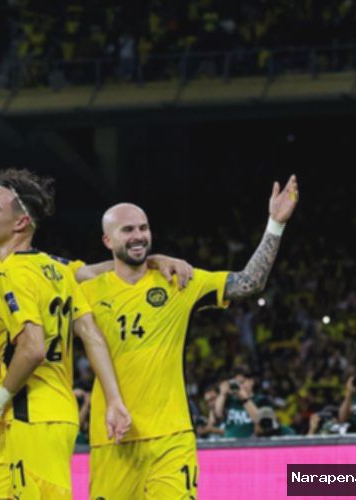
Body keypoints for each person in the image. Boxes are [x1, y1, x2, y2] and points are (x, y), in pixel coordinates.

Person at [83, 174, 299, 499]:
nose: (138, 236)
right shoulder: (87, 291)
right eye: (127, 230)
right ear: (107, 241)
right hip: (112, 435)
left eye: (143, 228)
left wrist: (275, 224)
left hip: (172, 435)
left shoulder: (178, 281)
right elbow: (49, 271)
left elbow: (249, 282)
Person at [0, 168, 131, 499]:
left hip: (35, 417)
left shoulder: (10, 274)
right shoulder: (56, 270)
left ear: (20, 223)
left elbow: (33, 348)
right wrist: (114, 400)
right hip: (45, 416)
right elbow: (90, 334)